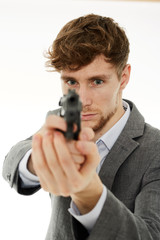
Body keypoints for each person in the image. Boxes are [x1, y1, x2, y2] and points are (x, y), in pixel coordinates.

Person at [2, 13, 160, 240]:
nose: (82, 100)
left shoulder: (156, 149)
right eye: (71, 82)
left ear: (123, 77)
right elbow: (12, 161)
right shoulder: (64, 121)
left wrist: (89, 194)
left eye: (97, 81)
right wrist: (39, 160)